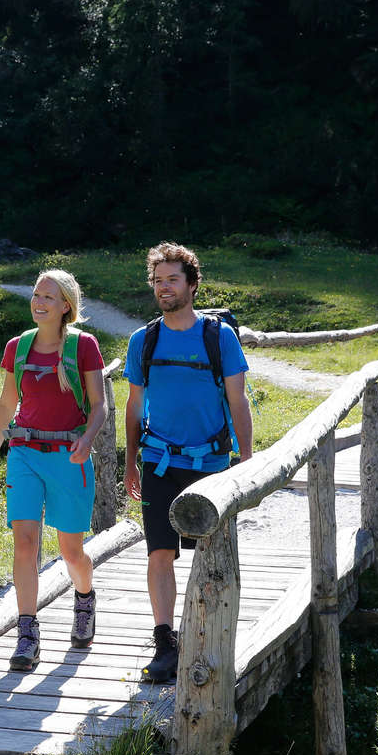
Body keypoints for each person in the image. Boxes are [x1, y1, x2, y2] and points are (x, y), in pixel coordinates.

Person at [123, 242, 254, 683]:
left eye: (172, 280)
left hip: (211, 463)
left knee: (208, 557)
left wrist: (247, 461)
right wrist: (130, 461)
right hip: (159, 462)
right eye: (158, 281)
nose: (164, 288)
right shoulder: (144, 341)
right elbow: (134, 405)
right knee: (159, 552)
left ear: (192, 284)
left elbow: (239, 402)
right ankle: (165, 644)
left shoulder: (219, 338)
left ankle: (205, 636)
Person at [0, 269, 107, 671]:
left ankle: (85, 598)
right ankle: (27, 632)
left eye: (48, 297)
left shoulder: (83, 346)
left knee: (72, 552)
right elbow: (5, 405)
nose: (39, 302)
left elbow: (99, 404)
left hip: (69, 456)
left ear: (66, 306)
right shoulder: (17, 348)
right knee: (25, 540)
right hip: (24, 452)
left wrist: (87, 439)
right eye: (36, 295)